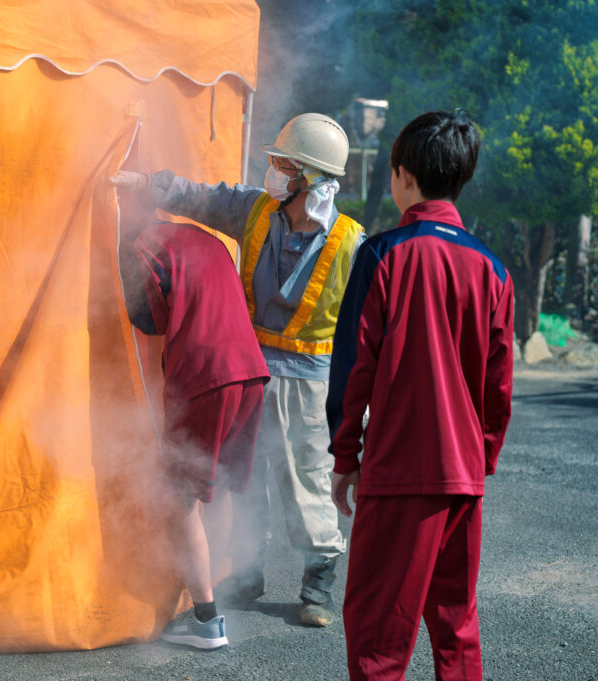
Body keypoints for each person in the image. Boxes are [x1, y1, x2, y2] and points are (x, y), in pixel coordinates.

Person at [112, 113, 365, 627]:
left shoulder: (352, 244)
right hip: (252, 369)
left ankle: (317, 584)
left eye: (282, 163)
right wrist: (145, 183)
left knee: (306, 481)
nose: (270, 169)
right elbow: (200, 196)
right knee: (244, 479)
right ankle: (248, 572)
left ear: (309, 178)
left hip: (308, 381)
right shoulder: (255, 210)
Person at [326, 109, 514, 680]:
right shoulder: (494, 269)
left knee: (379, 633)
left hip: (399, 474)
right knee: (456, 627)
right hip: (462, 478)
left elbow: (353, 367)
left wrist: (345, 457)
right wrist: (480, 457)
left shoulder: (384, 253)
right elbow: (498, 387)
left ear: (403, 174)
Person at [118, 218, 270, 650]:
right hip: (251, 373)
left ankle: (206, 620)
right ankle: (213, 590)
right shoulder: (204, 238)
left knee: (178, 495)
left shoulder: (141, 241)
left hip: (206, 376)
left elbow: (151, 319)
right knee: (214, 488)